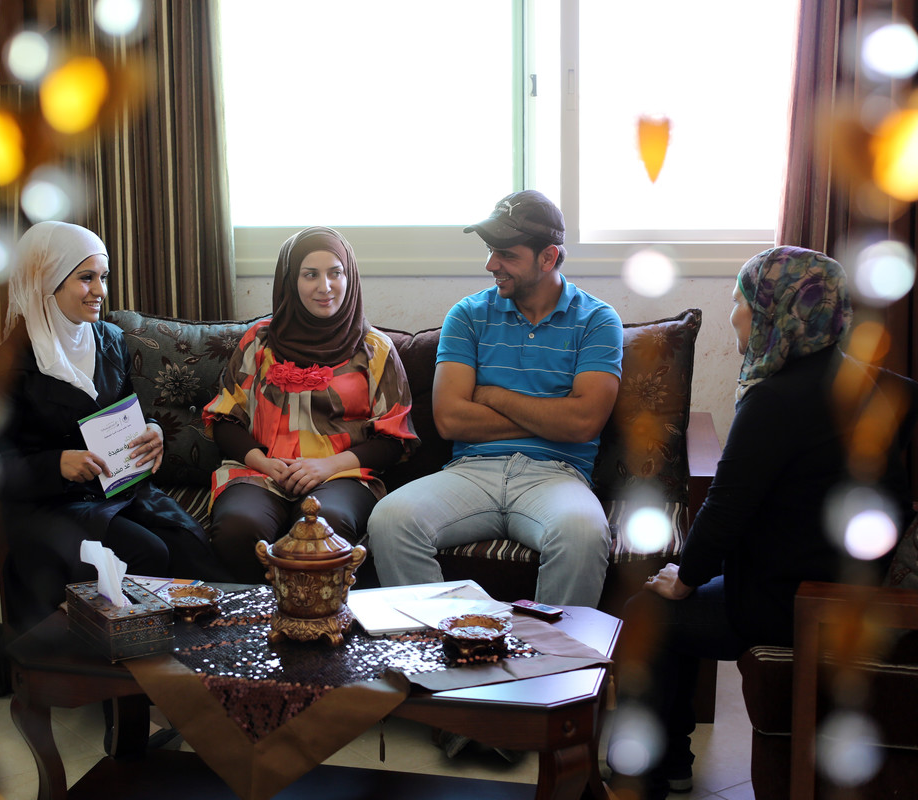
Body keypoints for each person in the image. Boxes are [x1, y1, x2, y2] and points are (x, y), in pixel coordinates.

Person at [608, 246, 914, 798]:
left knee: (649, 614)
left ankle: (652, 769)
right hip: (846, 587)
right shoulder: (870, 382)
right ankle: (671, 760)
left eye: (741, 302)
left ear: (776, 312)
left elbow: (727, 505)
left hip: (794, 601)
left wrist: (687, 575)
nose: (734, 315)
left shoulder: (775, 399)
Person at [366, 190, 623, 608]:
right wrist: (552, 414)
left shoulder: (596, 320)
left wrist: (491, 396)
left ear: (548, 256)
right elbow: (450, 419)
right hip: (472, 471)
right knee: (391, 519)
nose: (491, 265)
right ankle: (447, 654)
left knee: (583, 533)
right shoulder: (468, 315)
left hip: (556, 475)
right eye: (489, 251)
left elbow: (582, 424)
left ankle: (552, 671)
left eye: (506, 254)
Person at [0, 220, 230, 634]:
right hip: (51, 507)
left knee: (192, 548)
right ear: (47, 282)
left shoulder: (109, 340)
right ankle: (132, 670)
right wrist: (56, 463)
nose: (100, 290)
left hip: (117, 488)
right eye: (86, 277)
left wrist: (151, 432)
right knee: (149, 553)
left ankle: (197, 666)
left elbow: (125, 413)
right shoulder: (7, 368)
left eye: (103, 277)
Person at [203, 226, 419, 584]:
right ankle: (254, 627)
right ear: (290, 281)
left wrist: (324, 468)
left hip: (341, 475)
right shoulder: (259, 342)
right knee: (239, 527)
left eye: (336, 273)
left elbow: (394, 439)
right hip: (260, 471)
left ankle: (318, 627)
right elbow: (225, 419)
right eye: (310, 275)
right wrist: (266, 464)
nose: (325, 286)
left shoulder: (375, 350)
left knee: (324, 527)